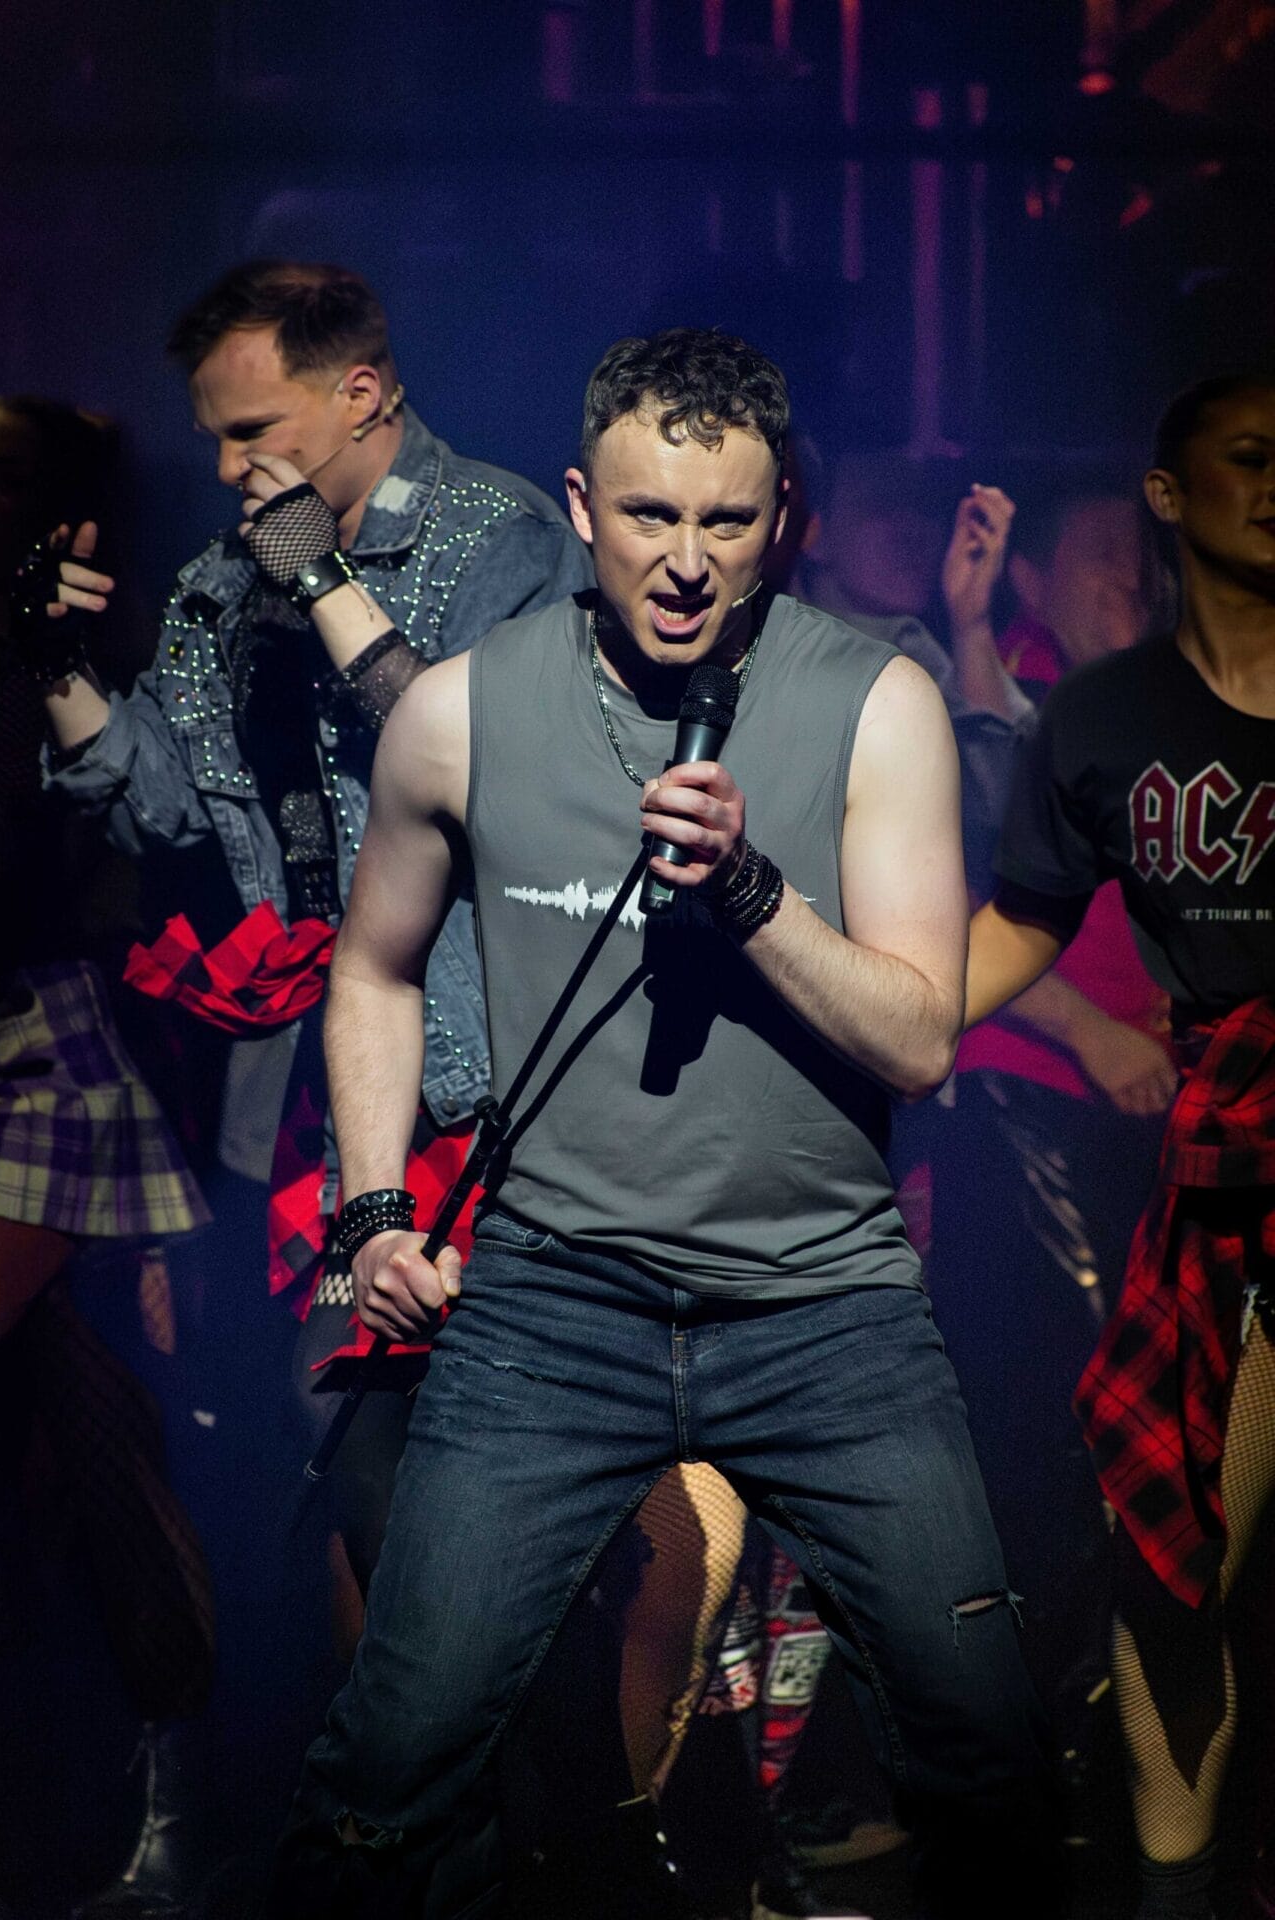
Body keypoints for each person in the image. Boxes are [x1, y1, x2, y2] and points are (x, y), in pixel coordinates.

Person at [271, 326, 1058, 1920]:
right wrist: (370, 1216)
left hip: (826, 1308)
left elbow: (921, 1040)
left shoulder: (879, 704)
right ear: (579, 504)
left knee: (986, 1745)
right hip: (556, 1309)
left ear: (785, 523)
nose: (685, 563)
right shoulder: (463, 715)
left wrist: (754, 896)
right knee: (394, 1758)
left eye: (726, 522)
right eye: (648, 516)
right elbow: (371, 970)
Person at [22, 260, 592, 1595]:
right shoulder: (224, 586)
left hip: (505, 1073)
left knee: (506, 1465)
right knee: (337, 1445)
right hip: (328, 1089)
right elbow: (154, 804)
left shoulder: (496, 535)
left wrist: (327, 584)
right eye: (210, 434)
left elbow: (488, 772)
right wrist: (53, 668)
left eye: (252, 431)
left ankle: (557, 1788)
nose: (225, 467)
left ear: (362, 392)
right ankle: (407, 1783)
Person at [964, 374, 1275, 1920]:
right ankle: (1176, 1885)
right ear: (1172, 498)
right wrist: (852, 1006)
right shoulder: (1098, 721)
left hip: (1223, 1116)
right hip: (1218, 1183)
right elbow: (1011, 935)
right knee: (1178, 1550)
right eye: (1249, 457)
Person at [0, 395, 214, 1920]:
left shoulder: (95, 662)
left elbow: (129, 869)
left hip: (48, 1056)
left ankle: (176, 1768)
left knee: (102, 1433)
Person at [933, 478, 1180, 1755]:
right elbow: (954, 902)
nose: (1128, 583)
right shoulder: (991, 697)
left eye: (1141, 561)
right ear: (1029, 581)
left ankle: (1104, 1710)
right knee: (1052, 1407)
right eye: (1096, 561)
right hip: (1026, 1100)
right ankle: (1035, 1716)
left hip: (1144, 1109)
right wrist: (1088, 1032)